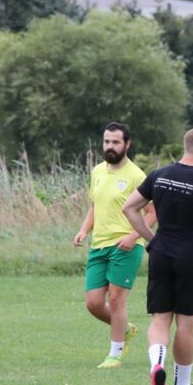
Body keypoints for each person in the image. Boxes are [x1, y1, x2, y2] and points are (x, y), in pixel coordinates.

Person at [122, 128, 193, 385]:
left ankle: (156, 366)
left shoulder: (159, 175)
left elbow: (129, 208)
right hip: (191, 255)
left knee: (160, 318)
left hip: (161, 253)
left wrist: (152, 239)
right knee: (186, 323)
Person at [73, 122, 156, 369]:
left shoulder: (136, 176)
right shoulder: (98, 171)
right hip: (99, 245)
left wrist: (133, 236)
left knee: (117, 300)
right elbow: (95, 206)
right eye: (107, 141)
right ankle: (126, 329)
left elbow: (153, 212)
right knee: (94, 303)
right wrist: (84, 230)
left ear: (127, 144)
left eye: (116, 142)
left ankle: (115, 355)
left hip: (126, 245)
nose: (110, 146)